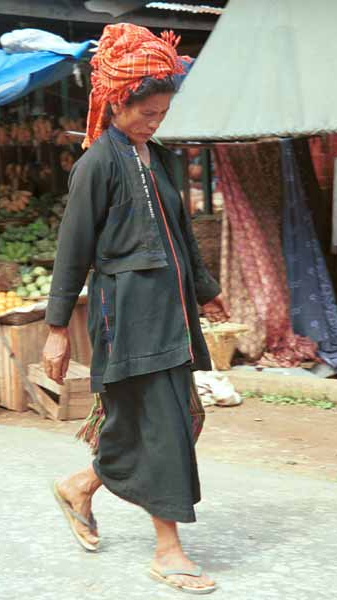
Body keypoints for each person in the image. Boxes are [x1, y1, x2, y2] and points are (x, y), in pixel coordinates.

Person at [43, 23, 228, 595]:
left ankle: (82, 485)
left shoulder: (162, 160)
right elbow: (72, 251)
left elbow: (182, 236)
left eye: (163, 112)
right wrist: (55, 331)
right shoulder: (96, 165)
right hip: (126, 319)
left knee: (180, 419)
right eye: (148, 112)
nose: (156, 122)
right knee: (162, 425)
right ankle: (168, 550)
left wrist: (205, 288)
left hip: (172, 315)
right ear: (117, 101)